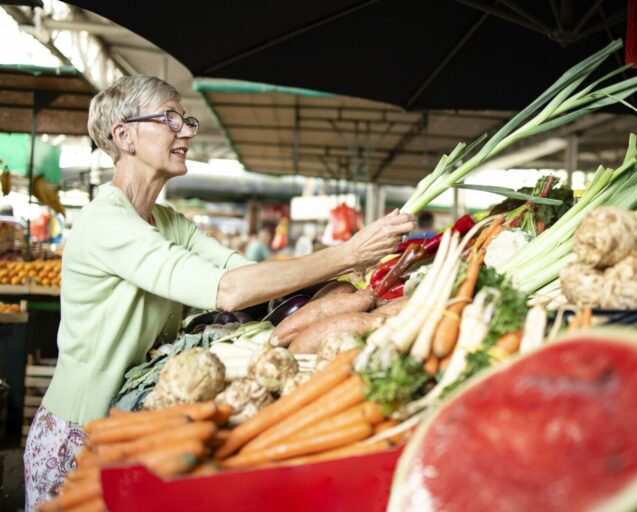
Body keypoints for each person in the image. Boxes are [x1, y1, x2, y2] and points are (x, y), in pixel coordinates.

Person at [23, 75, 416, 509]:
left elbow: (245, 273)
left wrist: (351, 281)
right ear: (124, 136)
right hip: (78, 430)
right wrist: (347, 253)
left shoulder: (168, 221)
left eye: (186, 120)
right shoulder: (106, 222)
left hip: (129, 423)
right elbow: (227, 291)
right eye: (170, 119)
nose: (186, 132)